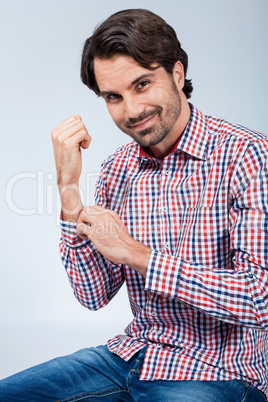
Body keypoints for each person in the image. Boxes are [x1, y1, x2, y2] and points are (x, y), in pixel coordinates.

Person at [0, 8, 267, 402]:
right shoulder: (117, 169)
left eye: (142, 85)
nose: (131, 111)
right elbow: (92, 294)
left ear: (176, 74)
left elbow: (259, 299)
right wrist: (69, 187)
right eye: (113, 96)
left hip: (217, 372)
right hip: (130, 357)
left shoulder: (247, 155)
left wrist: (139, 256)